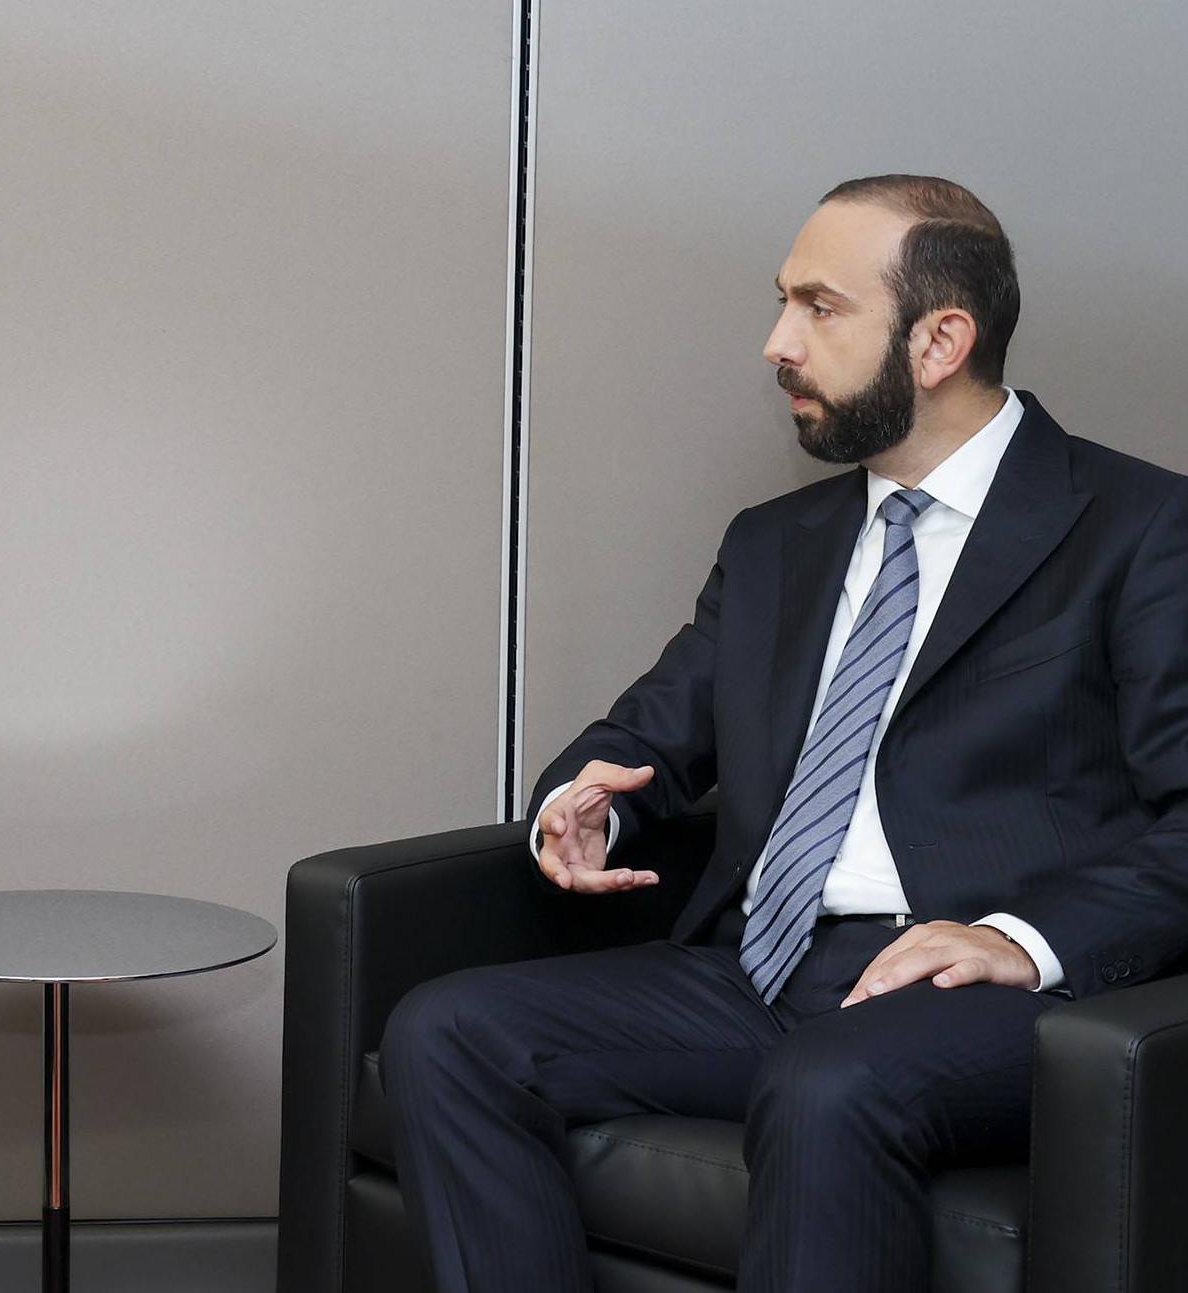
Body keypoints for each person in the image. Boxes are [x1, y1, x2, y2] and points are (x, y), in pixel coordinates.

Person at [380, 174, 1188, 1292]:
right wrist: (583, 805)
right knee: (447, 1031)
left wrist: (1020, 939)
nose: (777, 342)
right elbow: (648, 733)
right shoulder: (775, 543)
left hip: (981, 991)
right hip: (759, 967)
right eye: (783, 302)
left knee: (828, 1082)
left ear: (939, 340)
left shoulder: (1141, 528)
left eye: (819, 307)